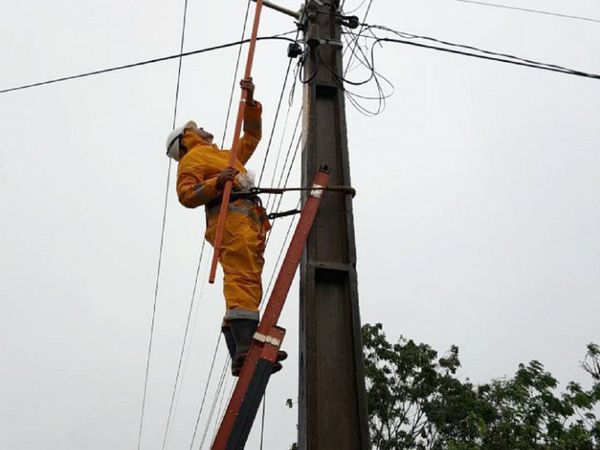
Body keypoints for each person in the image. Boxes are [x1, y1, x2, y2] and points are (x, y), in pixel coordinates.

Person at [166, 78, 285, 376]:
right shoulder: (193, 158)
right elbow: (186, 195)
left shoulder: (222, 155)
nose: (202, 128)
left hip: (249, 220)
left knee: (249, 279)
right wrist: (217, 182)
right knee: (242, 276)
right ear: (186, 138)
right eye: (195, 127)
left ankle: (240, 347)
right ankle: (245, 348)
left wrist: (250, 102)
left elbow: (252, 137)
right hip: (230, 220)